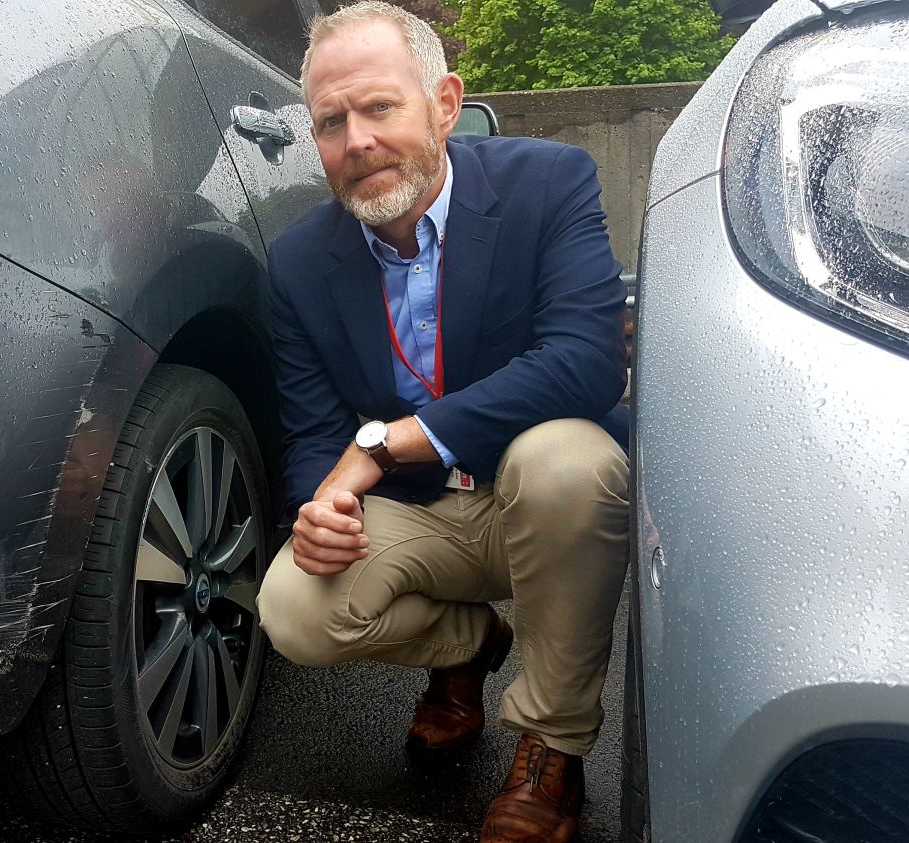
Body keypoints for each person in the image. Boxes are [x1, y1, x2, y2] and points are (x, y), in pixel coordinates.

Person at [255, 3, 630, 840]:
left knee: (567, 461)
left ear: (445, 104)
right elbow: (311, 433)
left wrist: (385, 444)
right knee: (294, 608)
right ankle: (468, 645)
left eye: (379, 107)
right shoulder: (298, 263)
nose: (356, 141)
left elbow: (586, 361)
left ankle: (550, 748)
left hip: (538, 496)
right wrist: (317, 511)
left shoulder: (548, 182)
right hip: (426, 508)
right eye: (330, 122)